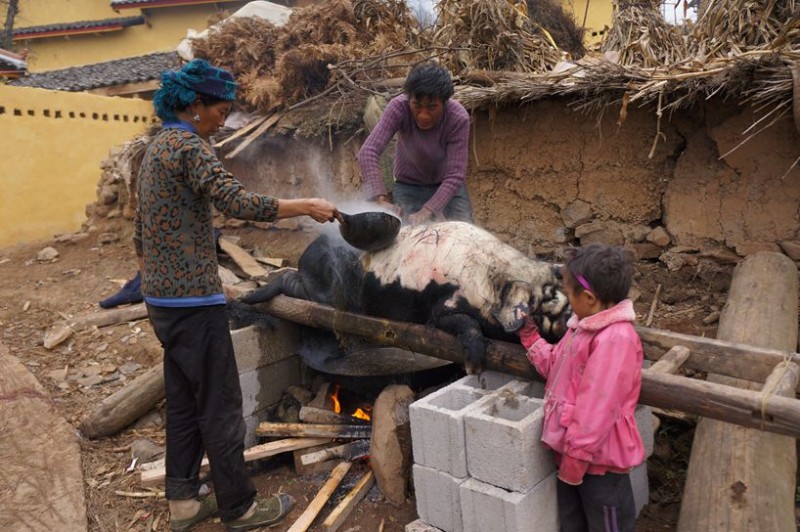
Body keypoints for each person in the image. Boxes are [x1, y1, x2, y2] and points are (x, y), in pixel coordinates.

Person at [134, 58, 341, 532]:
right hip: (192, 308)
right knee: (221, 409)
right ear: (195, 105)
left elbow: (142, 235)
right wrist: (305, 205)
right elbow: (238, 201)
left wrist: (170, 284)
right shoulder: (189, 145)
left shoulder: (155, 149)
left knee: (185, 403)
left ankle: (184, 504)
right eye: (220, 110)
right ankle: (242, 509)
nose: (223, 119)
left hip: (164, 305)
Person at [517, 243, 645, 532]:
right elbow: (556, 366)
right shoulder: (582, 326)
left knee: (607, 525)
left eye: (568, 292)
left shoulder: (615, 340)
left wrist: (573, 465)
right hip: (571, 460)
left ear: (588, 297)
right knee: (572, 524)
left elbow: (595, 414)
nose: (565, 299)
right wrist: (530, 337)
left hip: (599, 466)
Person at [357, 62, 473, 225]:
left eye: (432, 107)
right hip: (408, 185)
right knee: (404, 236)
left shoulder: (458, 118)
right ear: (408, 98)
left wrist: (427, 211)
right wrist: (380, 199)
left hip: (447, 184)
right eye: (417, 106)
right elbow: (368, 152)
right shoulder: (398, 107)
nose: (423, 115)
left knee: (466, 234)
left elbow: (455, 175)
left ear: (445, 102)